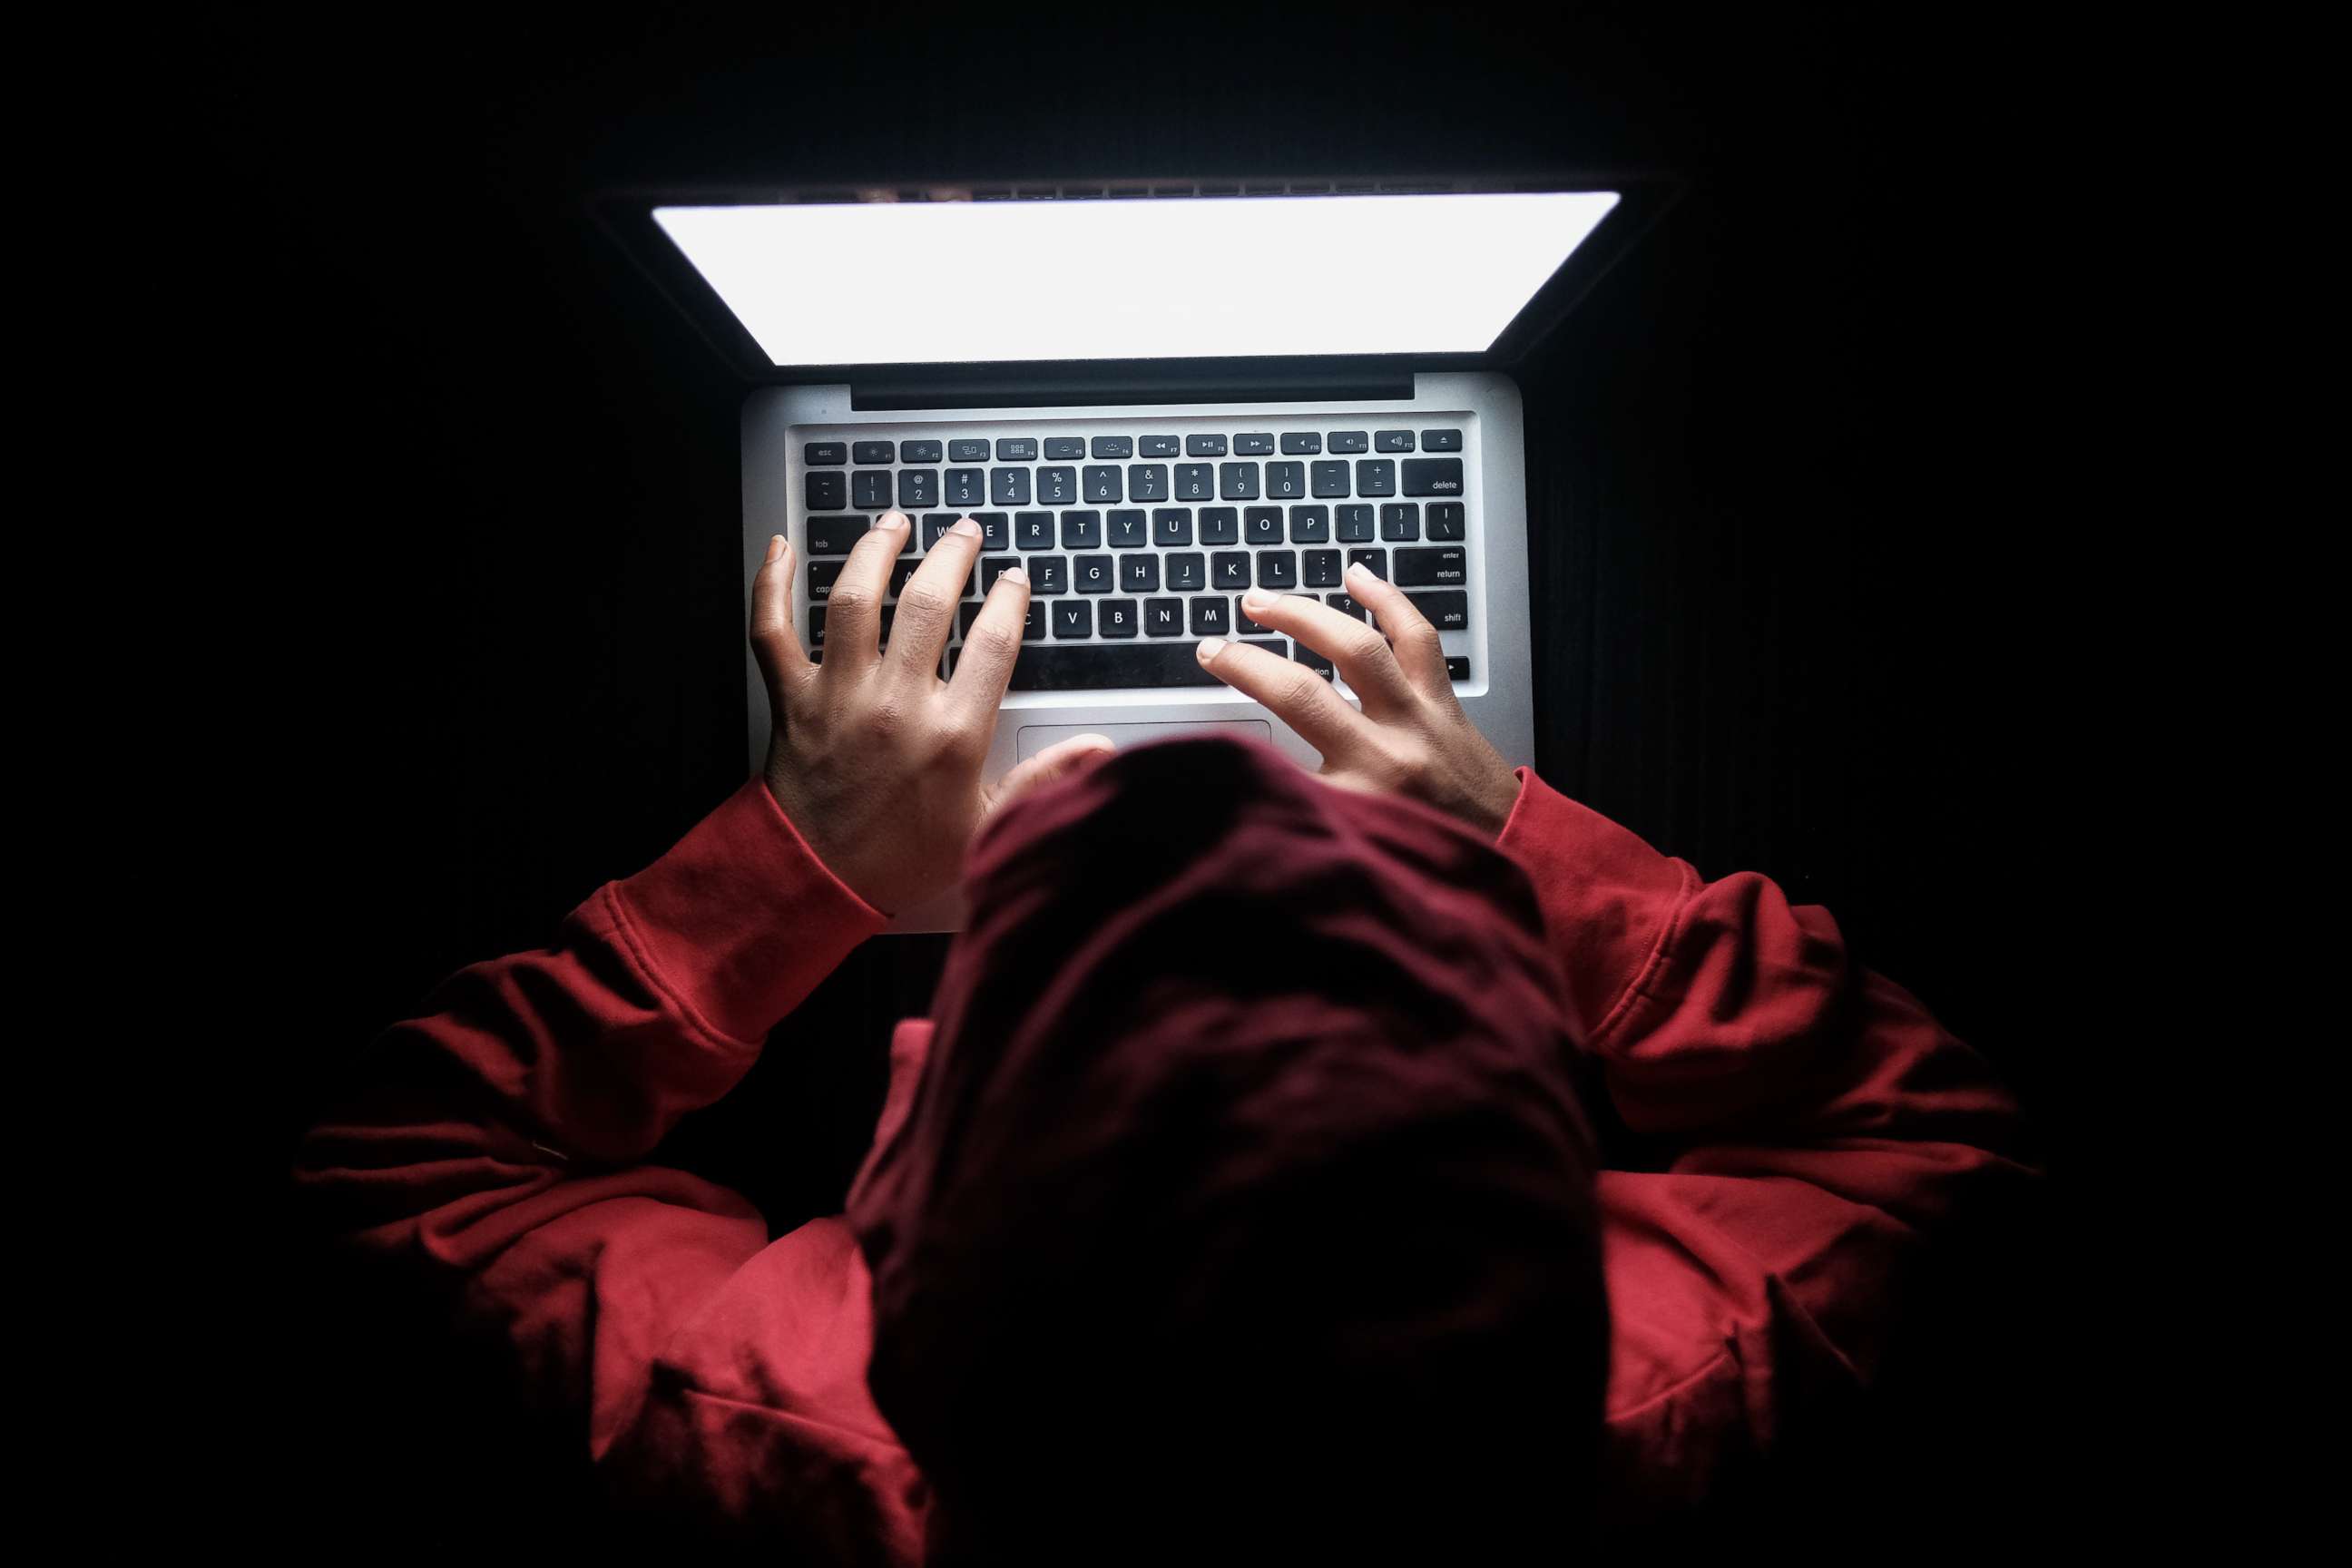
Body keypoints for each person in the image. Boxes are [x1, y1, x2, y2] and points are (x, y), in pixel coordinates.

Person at [296, 509, 2034, 1562]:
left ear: (895, 1199)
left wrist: (799, 860)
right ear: (1552, 1204)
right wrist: (1509, 836)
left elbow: (389, 1161)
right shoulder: (1666, 1391)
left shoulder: (763, 1420)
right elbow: (1940, 1150)